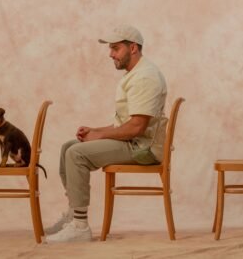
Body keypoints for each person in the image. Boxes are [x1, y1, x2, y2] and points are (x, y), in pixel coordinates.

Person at [46, 24, 167, 243]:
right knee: (68, 147)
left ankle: (80, 227)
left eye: (115, 48)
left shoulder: (145, 77)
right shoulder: (136, 74)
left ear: (133, 48)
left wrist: (99, 137)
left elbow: (136, 128)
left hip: (143, 150)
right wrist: (96, 130)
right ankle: (74, 214)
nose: (110, 54)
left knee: (76, 154)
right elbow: (128, 124)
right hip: (135, 142)